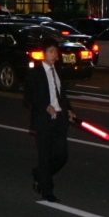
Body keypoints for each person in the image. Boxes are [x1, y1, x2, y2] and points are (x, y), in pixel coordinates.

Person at [23, 43, 72, 203]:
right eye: (51, 52)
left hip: (59, 119)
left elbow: (62, 93)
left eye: (55, 52)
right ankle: (47, 190)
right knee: (44, 155)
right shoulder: (35, 73)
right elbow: (28, 97)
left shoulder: (58, 70)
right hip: (44, 120)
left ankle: (40, 173)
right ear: (43, 53)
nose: (54, 55)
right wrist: (45, 107)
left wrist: (69, 109)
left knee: (61, 155)